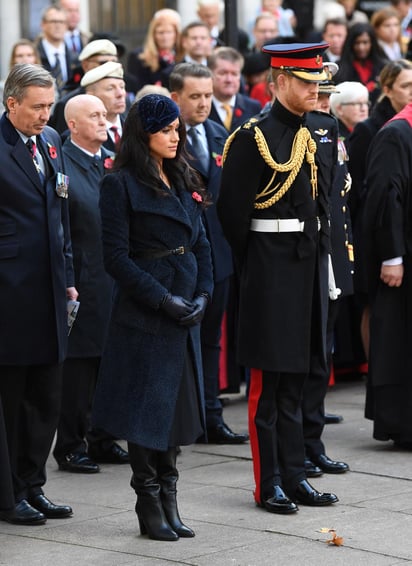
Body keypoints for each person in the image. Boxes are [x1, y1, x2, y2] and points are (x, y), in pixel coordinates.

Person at [217, 42, 339, 514]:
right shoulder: (252, 137)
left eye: (317, 83)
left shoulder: (313, 131)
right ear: (280, 81)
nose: (315, 90)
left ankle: (295, 473)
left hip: (307, 263)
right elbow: (232, 216)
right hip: (269, 268)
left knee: (300, 380)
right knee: (269, 385)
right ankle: (268, 482)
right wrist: (258, 270)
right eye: (306, 83)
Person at [91, 94, 213, 540]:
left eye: (177, 129)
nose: (175, 137)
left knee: (177, 414)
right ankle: (148, 502)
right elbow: (116, 258)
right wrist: (162, 299)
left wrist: (203, 294)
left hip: (184, 309)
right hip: (147, 312)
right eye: (166, 131)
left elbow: (201, 243)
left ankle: (170, 498)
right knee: (147, 414)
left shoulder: (183, 176)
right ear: (145, 135)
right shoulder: (119, 184)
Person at [0, 63, 77, 523]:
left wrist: (68, 276)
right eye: (37, 107)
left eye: (50, 105)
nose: (46, 114)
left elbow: (60, 216)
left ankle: (34, 484)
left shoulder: (49, 143)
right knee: (11, 399)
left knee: (46, 398)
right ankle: (9, 493)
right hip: (9, 293)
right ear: (11, 103)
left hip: (50, 292)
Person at [170, 62, 249, 445]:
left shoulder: (219, 134)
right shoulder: (165, 139)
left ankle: (210, 414)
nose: (204, 103)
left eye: (208, 95)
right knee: (181, 339)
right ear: (176, 98)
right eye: (195, 97)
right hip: (179, 256)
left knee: (213, 338)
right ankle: (181, 419)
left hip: (218, 253)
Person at [53, 94, 128, 473]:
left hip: (113, 276)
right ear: (73, 125)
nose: (104, 120)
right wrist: (68, 279)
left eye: (104, 114)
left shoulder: (111, 160)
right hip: (82, 278)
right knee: (79, 368)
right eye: (94, 116)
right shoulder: (62, 163)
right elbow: (61, 227)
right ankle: (70, 445)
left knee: (108, 363)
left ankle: (102, 438)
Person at [302, 70, 351, 478]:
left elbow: (340, 198)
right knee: (304, 358)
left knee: (323, 355)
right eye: (316, 96)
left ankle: (313, 442)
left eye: (325, 97)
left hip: (332, 252)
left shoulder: (331, 133)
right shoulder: (298, 134)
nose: (322, 104)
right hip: (307, 254)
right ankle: (297, 444)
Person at [347, 59, 412, 362]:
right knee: (379, 310)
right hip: (374, 230)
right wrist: (389, 253)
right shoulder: (377, 130)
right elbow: (373, 192)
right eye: (406, 86)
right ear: (387, 89)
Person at [363, 100, 412, 449]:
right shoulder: (396, 133)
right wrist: (392, 255)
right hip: (403, 256)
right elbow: (384, 195)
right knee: (400, 340)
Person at [48, 39, 119, 134]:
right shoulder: (67, 104)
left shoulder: (121, 99)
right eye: (103, 63)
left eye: (114, 62)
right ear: (85, 65)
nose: (110, 67)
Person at [208, 47, 261, 134]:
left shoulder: (253, 107)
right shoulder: (202, 107)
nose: (229, 79)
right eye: (223, 73)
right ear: (210, 74)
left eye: (234, 74)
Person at [334, 23, 388, 106]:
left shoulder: (383, 67)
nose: (361, 47)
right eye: (357, 43)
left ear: (372, 43)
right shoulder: (340, 69)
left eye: (365, 42)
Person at [127, 9, 181, 91]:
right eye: (161, 32)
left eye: (169, 32)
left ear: (176, 34)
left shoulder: (181, 56)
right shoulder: (139, 56)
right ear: (153, 35)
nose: (165, 37)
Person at [80, 61, 127, 152]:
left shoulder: (135, 129)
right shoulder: (83, 135)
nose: (120, 94)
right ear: (91, 95)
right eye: (110, 88)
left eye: (122, 87)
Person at [36, 5, 73, 96]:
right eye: (53, 21)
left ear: (66, 26)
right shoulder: (33, 55)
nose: (58, 25)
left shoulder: (74, 56)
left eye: (61, 22)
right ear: (43, 25)